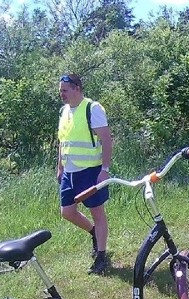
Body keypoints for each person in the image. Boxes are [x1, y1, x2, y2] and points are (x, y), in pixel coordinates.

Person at [57, 73, 113, 275]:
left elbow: (107, 140)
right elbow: (63, 141)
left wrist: (104, 171)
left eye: (64, 90)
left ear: (77, 88)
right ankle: (94, 235)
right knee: (67, 212)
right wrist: (60, 167)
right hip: (69, 173)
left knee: (97, 213)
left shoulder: (92, 108)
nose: (61, 94)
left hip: (90, 171)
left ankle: (101, 257)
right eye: (60, 90)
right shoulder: (64, 111)